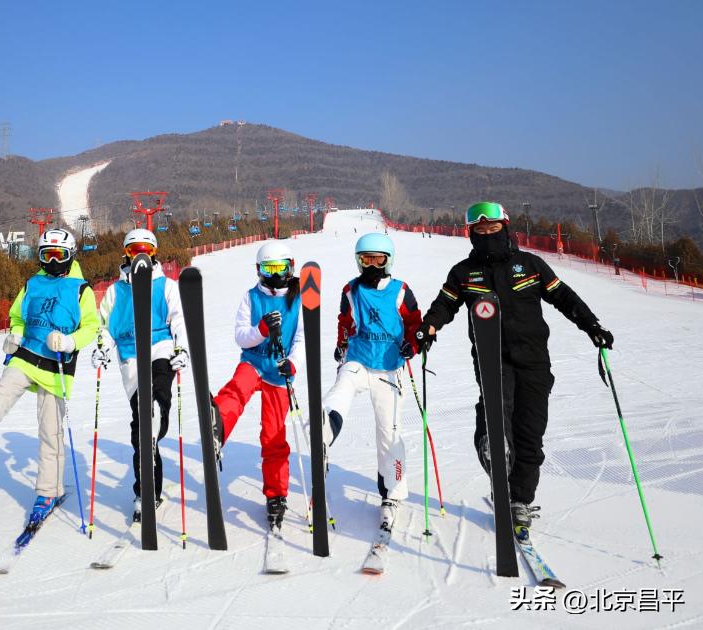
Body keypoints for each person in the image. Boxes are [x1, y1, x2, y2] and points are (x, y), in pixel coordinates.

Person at [416, 202, 614, 529]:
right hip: (491, 356)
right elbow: (444, 305)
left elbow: (564, 297)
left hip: (534, 360)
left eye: (493, 228)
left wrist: (592, 326)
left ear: (505, 228)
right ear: (471, 234)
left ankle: (518, 499)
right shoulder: (464, 272)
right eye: (480, 231)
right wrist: (429, 328)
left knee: (530, 435)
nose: (487, 234)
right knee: (497, 408)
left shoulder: (530, 265)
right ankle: (491, 444)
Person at [0, 228, 99, 525]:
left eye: (58, 255)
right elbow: (17, 315)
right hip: (27, 354)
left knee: (49, 430)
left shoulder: (81, 289)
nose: (52, 261)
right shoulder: (32, 284)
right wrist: (14, 334)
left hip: (56, 365)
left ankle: (47, 491)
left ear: (70, 256)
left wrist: (70, 342)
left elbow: (91, 326)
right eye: (46, 255)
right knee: (4, 389)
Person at [321, 232, 422, 531]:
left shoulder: (401, 290)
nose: (372, 265)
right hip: (358, 359)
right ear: (358, 261)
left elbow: (415, 323)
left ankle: (392, 492)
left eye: (378, 260)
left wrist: (413, 345)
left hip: (389, 367)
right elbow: (345, 321)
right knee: (342, 386)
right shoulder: (351, 290)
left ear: (388, 261)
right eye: (366, 260)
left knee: (389, 433)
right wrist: (341, 344)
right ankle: (323, 431)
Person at [91, 229, 189, 520]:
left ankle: (158, 409)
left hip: (159, 346)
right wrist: (101, 349)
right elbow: (106, 328)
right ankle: (146, 492)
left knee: (160, 386)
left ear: (154, 253)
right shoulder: (115, 291)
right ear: (126, 254)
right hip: (130, 355)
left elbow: (179, 319)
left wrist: (182, 349)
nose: (140, 255)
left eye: (145, 249)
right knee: (141, 428)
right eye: (134, 250)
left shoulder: (165, 286)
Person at [211, 242, 304, 532]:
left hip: (278, 370)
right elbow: (241, 336)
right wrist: (261, 330)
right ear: (259, 270)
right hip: (254, 360)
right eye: (269, 269)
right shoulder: (251, 297)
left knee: (273, 433)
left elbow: (302, 337)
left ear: (290, 267)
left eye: (280, 269)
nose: (275, 275)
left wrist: (293, 363)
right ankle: (218, 427)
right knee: (237, 389)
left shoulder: (299, 299)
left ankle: (276, 494)